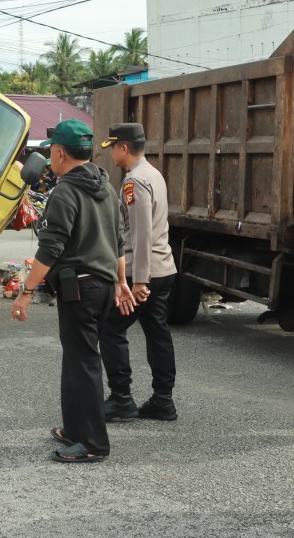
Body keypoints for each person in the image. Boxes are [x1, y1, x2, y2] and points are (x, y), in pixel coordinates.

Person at [10, 119, 135, 463]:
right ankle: (75, 428)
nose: (49, 157)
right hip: (104, 285)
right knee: (77, 359)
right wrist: (121, 283)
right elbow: (118, 241)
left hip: (81, 288)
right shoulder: (107, 187)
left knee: (83, 363)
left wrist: (25, 292)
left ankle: (94, 443)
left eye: (51, 151)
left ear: (61, 153)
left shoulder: (65, 192)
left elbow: (50, 248)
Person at [98, 122, 180, 422]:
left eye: (113, 149)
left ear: (123, 148)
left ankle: (121, 398)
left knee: (111, 329)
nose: (112, 156)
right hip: (162, 267)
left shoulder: (134, 181)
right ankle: (163, 400)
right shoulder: (153, 174)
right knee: (157, 332)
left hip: (142, 272)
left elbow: (142, 233)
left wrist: (139, 282)